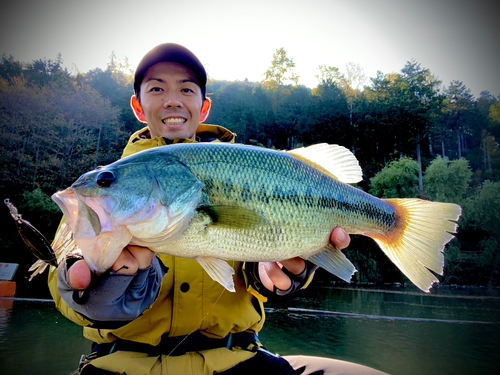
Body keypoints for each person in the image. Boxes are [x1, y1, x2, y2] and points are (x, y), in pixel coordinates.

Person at [48, 43, 388, 375]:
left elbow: (255, 273)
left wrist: (279, 276)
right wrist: (87, 291)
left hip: (237, 362)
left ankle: (392, 221)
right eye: (156, 88)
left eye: (186, 89)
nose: (172, 100)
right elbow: (59, 284)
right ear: (138, 106)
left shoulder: (209, 170)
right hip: (119, 365)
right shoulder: (101, 199)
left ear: (203, 106)